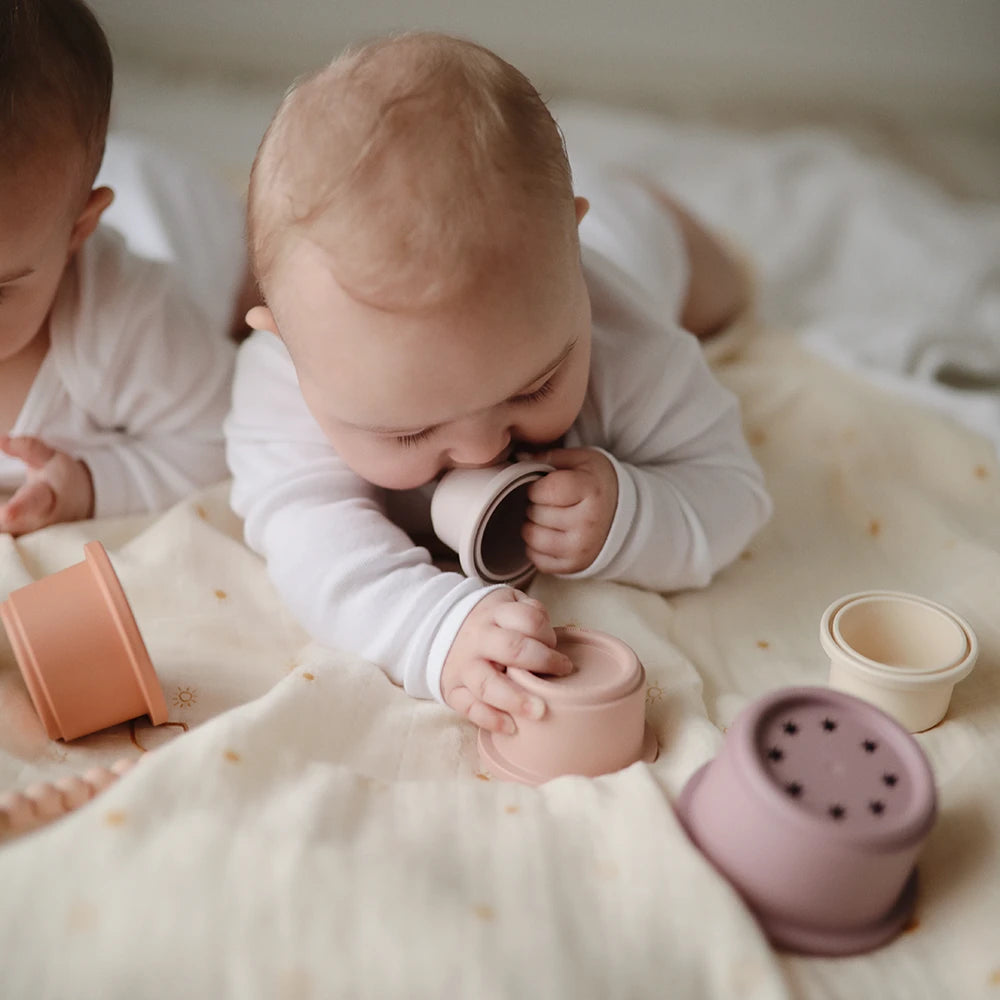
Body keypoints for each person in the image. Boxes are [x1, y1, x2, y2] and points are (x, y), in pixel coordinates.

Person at [226, 32, 772, 735]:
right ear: (287, 346)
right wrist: (435, 628)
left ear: (572, 266)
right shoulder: (285, 383)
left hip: (638, 238)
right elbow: (309, 542)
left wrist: (633, 511)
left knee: (724, 287)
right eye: (409, 431)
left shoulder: (624, 341)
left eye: (535, 388)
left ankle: (642, 202)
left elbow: (734, 491)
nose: (484, 449)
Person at [0, 0, 244, 535]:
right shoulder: (20, 239)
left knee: (269, 288)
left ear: (75, 234)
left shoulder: (125, 323)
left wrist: (92, 482)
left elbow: (226, 437)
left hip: (179, 216)